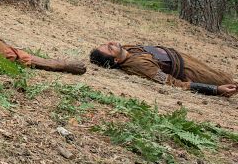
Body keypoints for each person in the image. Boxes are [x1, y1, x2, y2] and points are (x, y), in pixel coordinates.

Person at [89, 42, 237, 97]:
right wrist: (215, 89)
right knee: (228, 82)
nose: (111, 43)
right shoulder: (139, 66)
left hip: (185, 59)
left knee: (225, 75)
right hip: (190, 72)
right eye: (110, 48)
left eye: (107, 43)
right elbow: (172, 83)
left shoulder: (126, 49)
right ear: (115, 60)